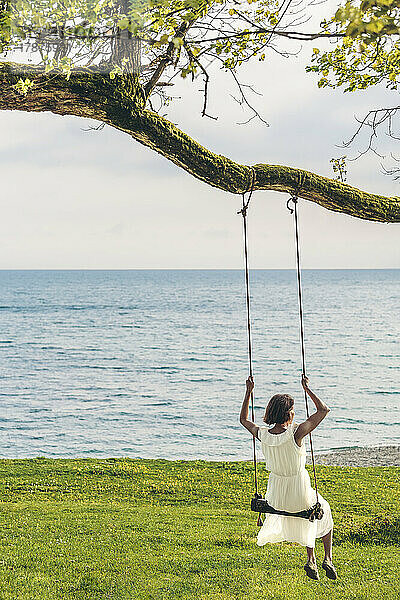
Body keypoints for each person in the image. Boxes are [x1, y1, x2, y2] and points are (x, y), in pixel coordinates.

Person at [239, 374, 337, 581]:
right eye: (292, 409)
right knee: (322, 510)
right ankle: (327, 558)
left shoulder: (262, 434)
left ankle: (311, 560)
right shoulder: (296, 433)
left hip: (276, 496)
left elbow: (243, 420)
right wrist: (307, 389)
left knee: (309, 512)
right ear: (288, 413)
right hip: (298, 489)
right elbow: (324, 410)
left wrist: (248, 392)